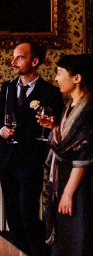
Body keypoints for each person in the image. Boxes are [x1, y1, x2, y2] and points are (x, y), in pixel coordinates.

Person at [0, 42, 64, 256]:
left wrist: (50, 125)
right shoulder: (7, 88)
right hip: (7, 159)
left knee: (27, 212)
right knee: (12, 213)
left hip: (31, 160)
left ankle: (39, 253)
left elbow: (56, 125)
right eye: (13, 57)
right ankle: (19, 252)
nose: (13, 62)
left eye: (19, 57)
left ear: (34, 61)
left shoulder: (50, 91)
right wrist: (2, 128)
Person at [41, 54, 93, 256]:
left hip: (79, 186)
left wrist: (68, 193)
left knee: (78, 237)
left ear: (77, 78)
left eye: (60, 73)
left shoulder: (88, 110)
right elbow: (67, 142)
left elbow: (83, 158)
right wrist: (54, 126)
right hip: (63, 179)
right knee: (65, 237)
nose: (56, 78)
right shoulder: (70, 105)